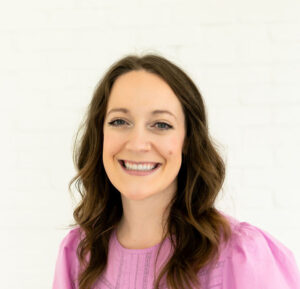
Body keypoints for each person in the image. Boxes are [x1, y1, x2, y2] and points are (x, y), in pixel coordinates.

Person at [52, 53, 300, 289]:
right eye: (119, 121)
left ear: (187, 141)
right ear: (100, 135)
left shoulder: (242, 254)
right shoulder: (78, 253)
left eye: (161, 124)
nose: (138, 144)